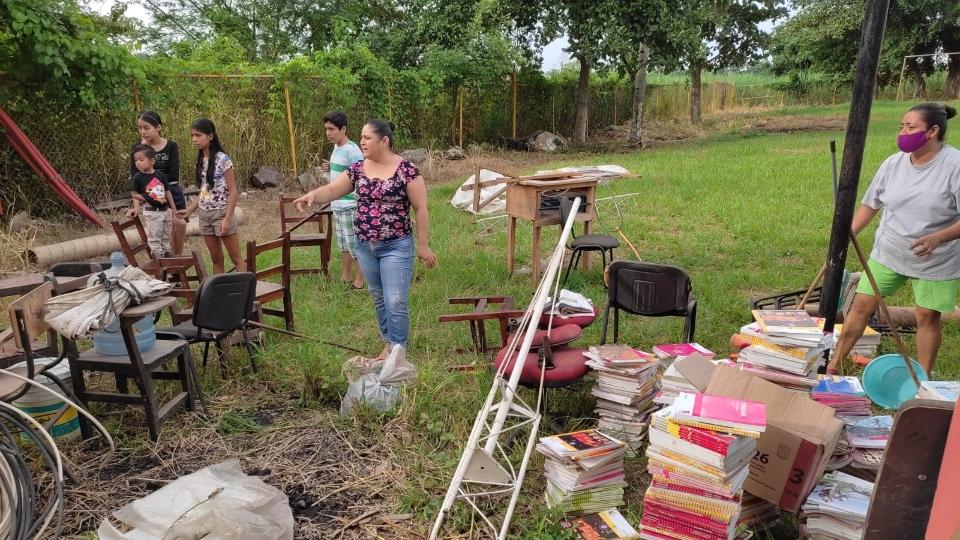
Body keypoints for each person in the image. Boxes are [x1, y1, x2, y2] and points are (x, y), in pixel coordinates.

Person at [830, 103, 960, 375]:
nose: (903, 132)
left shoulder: (954, 165)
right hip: (890, 249)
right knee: (861, 305)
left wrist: (939, 237)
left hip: (935, 258)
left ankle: (922, 380)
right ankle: (834, 364)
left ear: (933, 131)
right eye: (902, 126)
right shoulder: (893, 164)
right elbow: (870, 204)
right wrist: (845, 233)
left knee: (927, 315)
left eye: (911, 127)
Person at [294, 119, 437, 358]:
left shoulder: (406, 170)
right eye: (361, 137)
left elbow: (421, 209)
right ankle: (388, 342)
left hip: (396, 246)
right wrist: (312, 195)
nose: (362, 142)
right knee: (379, 298)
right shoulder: (359, 169)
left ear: (384, 141)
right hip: (365, 246)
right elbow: (332, 190)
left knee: (395, 300)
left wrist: (422, 246)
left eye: (367, 138)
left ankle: (398, 350)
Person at [177, 118, 245, 274]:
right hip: (204, 215)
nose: (194, 139)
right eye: (192, 135)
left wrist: (227, 219)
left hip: (221, 213)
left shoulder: (223, 159)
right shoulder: (201, 160)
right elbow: (204, 190)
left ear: (211, 136)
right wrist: (190, 210)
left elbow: (233, 190)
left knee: (236, 259)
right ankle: (219, 295)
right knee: (216, 259)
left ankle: (245, 294)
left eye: (198, 135)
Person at [130, 111, 187, 255]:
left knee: (179, 224)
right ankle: (163, 261)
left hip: (170, 190)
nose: (143, 132)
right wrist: (136, 205)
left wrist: (151, 179)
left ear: (158, 127)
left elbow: (173, 175)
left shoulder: (171, 146)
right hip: (148, 195)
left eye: (147, 127)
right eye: (140, 128)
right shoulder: (138, 149)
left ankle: (176, 259)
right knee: (158, 229)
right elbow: (135, 177)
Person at [322, 111, 366, 289]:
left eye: (332, 129)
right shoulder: (336, 148)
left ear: (343, 129)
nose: (328, 133)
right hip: (337, 205)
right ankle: (345, 276)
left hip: (350, 205)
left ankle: (360, 281)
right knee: (343, 245)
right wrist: (328, 169)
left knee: (354, 244)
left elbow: (361, 178)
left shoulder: (353, 150)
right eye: (326, 129)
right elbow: (337, 179)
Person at [126, 145, 177, 257]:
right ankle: (158, 259)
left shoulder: (160, 175)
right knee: (155, 236)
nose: (138, 163)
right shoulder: (137, 178)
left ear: (152, 161)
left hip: (165, 210)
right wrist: (147, 199)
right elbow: (134, 194)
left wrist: (173, 208)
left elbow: (167, 191)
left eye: (141, 160)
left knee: (166, 235)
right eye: (136, 160)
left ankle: (167, 256)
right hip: (152, 212)